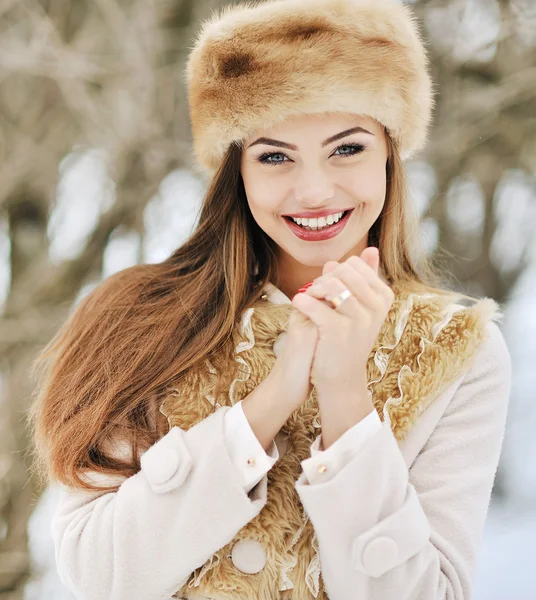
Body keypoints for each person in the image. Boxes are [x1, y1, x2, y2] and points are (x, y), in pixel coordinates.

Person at [28, 0, 512, 598]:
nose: (313, 190)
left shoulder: (456, 351)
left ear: (391, 152)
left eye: (347, 148)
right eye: (275, 156)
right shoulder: (138, 320)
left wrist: (343, 396)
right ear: (238, 170)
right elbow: (100, 577)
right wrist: (272, 399)